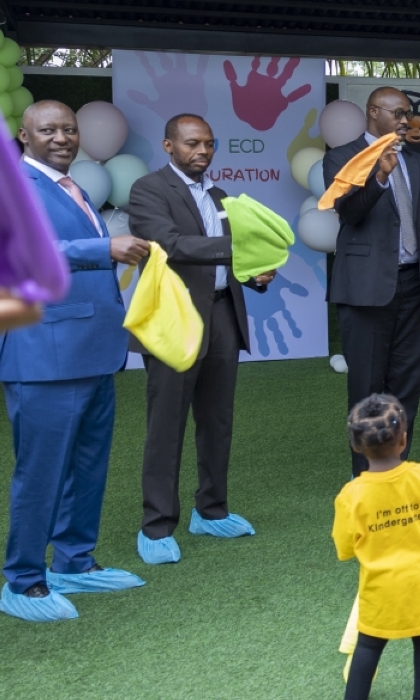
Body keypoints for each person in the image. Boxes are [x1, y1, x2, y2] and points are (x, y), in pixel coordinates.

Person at [0, 101, 148, 622]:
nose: (62, 137)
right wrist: (104, 248)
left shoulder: (72, 186)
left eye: (69, 128)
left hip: (92, 350)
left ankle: (74, 562)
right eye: (48, 130)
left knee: (88, 466)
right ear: (24, 135)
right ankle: (22, 580)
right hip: (43, 354)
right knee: (41, 473)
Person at [127, 113, 275, 565]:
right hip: (174, 319)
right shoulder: (148, 189)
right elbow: (168, 243)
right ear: (169, 145)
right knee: (166, 424)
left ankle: (210, 511)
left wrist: (257, 274)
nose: (203, 152)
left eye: (209, 144)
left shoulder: (219, 194)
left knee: (218, 420)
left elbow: (236, 258)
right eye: (193, 144)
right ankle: (156, 526)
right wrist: (237, 251)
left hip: (222, 314)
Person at [323, 87, 420, 476]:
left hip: (414, 288)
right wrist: (379, 175)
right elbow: (348, 213)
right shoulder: (341, 156)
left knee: (406, 386)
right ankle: (365, 477)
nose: (405, 121)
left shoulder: (418, 162)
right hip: (365, 291)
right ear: (373, 113)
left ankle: (396, 469)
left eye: (407, 114)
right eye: (398, 113)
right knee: (366, 388)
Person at [334, 394, 420, 700]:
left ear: (355, 445)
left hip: (380, 593)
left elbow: (345, 548)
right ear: (403, 439)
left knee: (367, 647)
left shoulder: (351, 495)